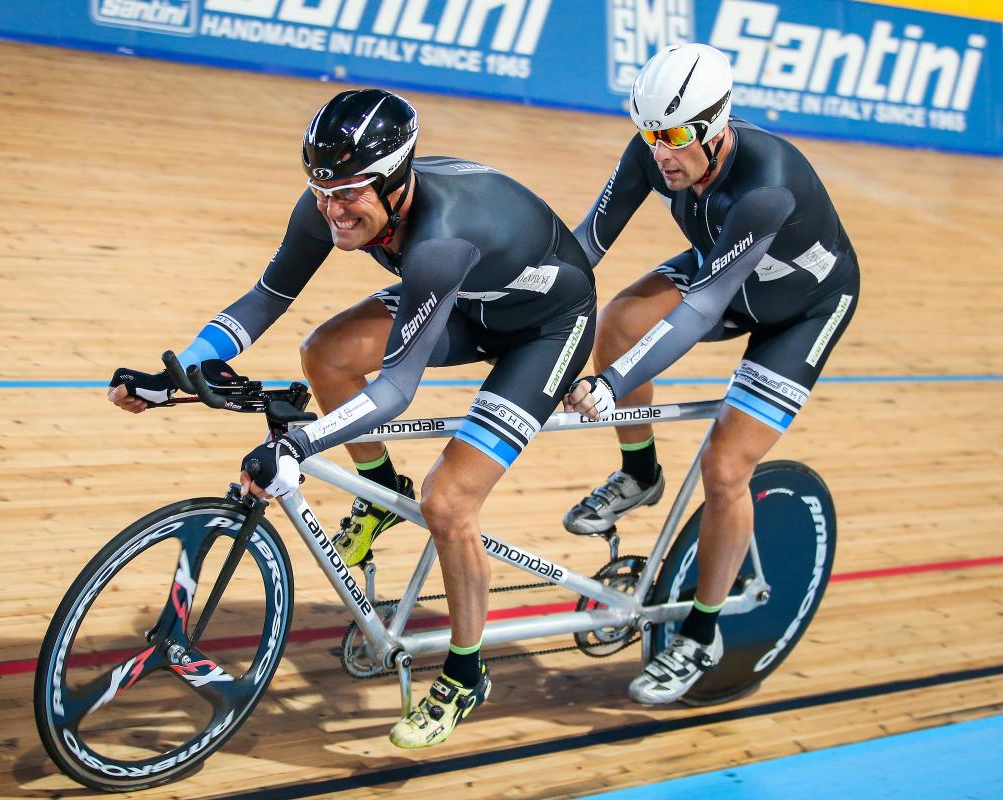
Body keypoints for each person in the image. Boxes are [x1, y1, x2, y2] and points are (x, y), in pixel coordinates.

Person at [107, 88, 597, 747]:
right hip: (468, 303)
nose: (332, 209)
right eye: (320, 190)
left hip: (544, 329)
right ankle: (382, 494)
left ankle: (464, 672)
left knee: (450, 503)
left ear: (396, 182)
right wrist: (181, 370)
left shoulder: (439, 240)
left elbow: (397, 388)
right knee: (326, 353)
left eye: (350, 193)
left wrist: (299, 446)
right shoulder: (331, 203)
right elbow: (265, 298)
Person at [562, 42, 859, 704]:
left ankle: (702, 636)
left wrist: (612, 384)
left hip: (800, 313)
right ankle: (641, 474)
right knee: (616, 322)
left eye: (673, 136)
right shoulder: (652, 151)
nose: (659, 151)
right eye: (648, 133)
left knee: (726, 470)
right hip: (729, 268)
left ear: (717, 124)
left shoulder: (766, 185)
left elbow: (699, 310)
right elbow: (585, 245)